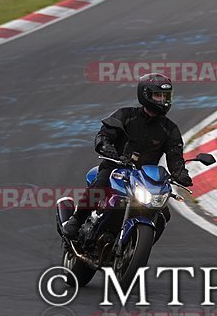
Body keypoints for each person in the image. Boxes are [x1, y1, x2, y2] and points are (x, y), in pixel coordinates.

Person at [62, 73, 193, 239]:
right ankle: (76, 220)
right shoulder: (126, 115)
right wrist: (106, 147)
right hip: (115, 168)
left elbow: (175, 157)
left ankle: (135, 248)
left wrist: (180, 174)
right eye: (158, 95)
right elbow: (105, 134)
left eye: (165, 96)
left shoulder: (170, 129)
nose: (163, 100)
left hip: (144, 179)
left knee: (163, 214)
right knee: (100, 187)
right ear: (145, 95)